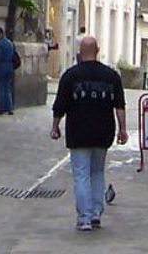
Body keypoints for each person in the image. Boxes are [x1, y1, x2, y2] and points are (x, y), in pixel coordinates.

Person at [50, 34, 127, 232]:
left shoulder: (70, 76)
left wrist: (55, 126)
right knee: (98, 172)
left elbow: (60, 105)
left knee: (81, 175)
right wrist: (123, 129)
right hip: (103, 133)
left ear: (79, 53)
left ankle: (84, 218)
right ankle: (95, 213)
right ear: (97, 51)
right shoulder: (111, 76)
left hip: (78, 133)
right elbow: (119, 105)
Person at [0, 26, 19, 115]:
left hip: (2, 67)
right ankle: (9, 108)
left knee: (0, 88)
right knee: (7, 88)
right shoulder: (10, 43)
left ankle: (1, 108)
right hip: (10, 67)